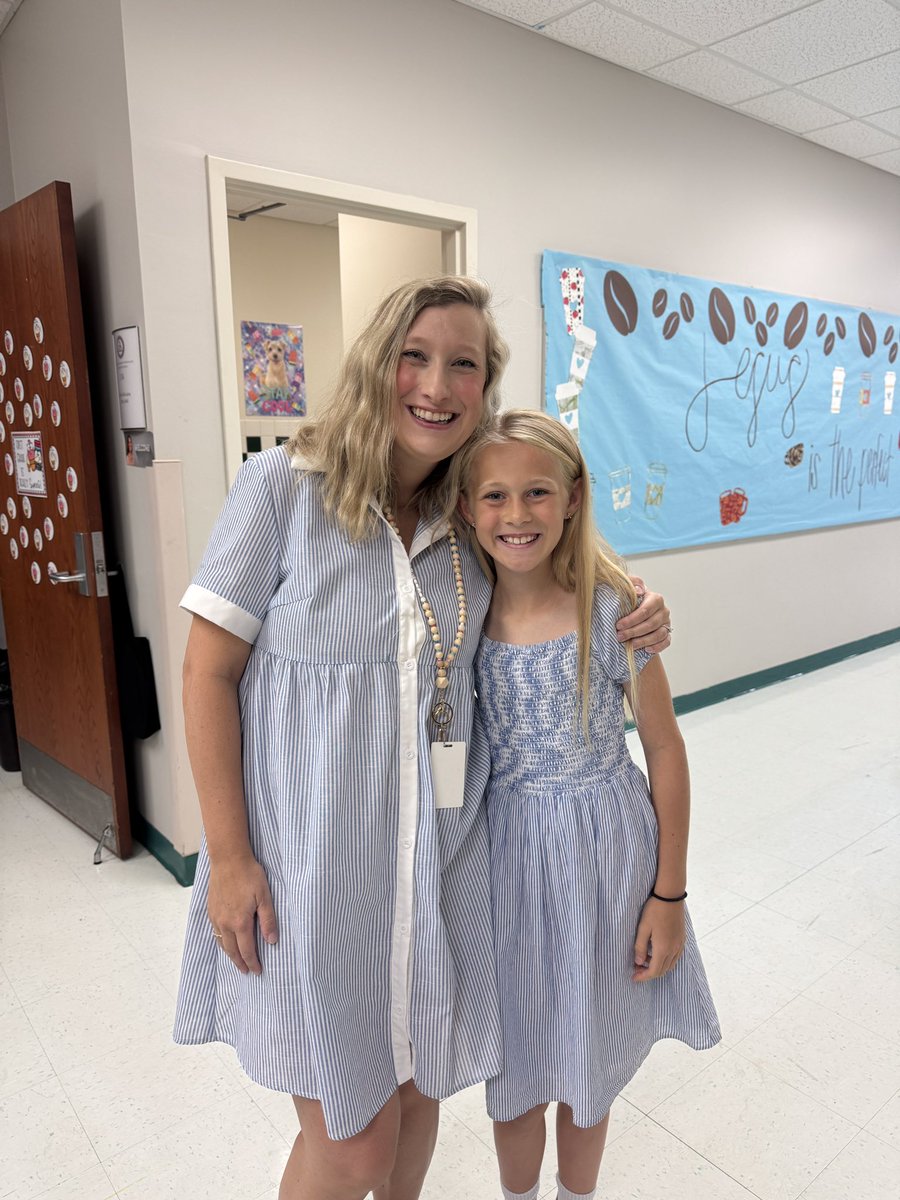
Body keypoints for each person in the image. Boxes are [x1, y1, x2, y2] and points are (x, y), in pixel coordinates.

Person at [173, 277, 673, 1200]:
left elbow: (556, 546)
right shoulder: (283, 491)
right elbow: (206, 674)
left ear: (485, 388)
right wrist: (231, 856)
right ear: (377, 361)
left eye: (464, 365)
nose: (435, 384)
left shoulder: (465, 519)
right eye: (416, 355)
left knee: (418, 1094)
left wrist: (636, 600)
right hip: (312, 872)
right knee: (353, 1138)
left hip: (438, 867)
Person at [453, 410, 720, 1200]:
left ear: (573, 497)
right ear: (469, 509)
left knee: (585, 1050)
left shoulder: (611, 611)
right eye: (495, 496)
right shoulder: (461, 606)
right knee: (515, 1059)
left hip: (602, 858)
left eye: (537, 491)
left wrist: (667, 895)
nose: (517, 514)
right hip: (501, 862)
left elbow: (665, 747)